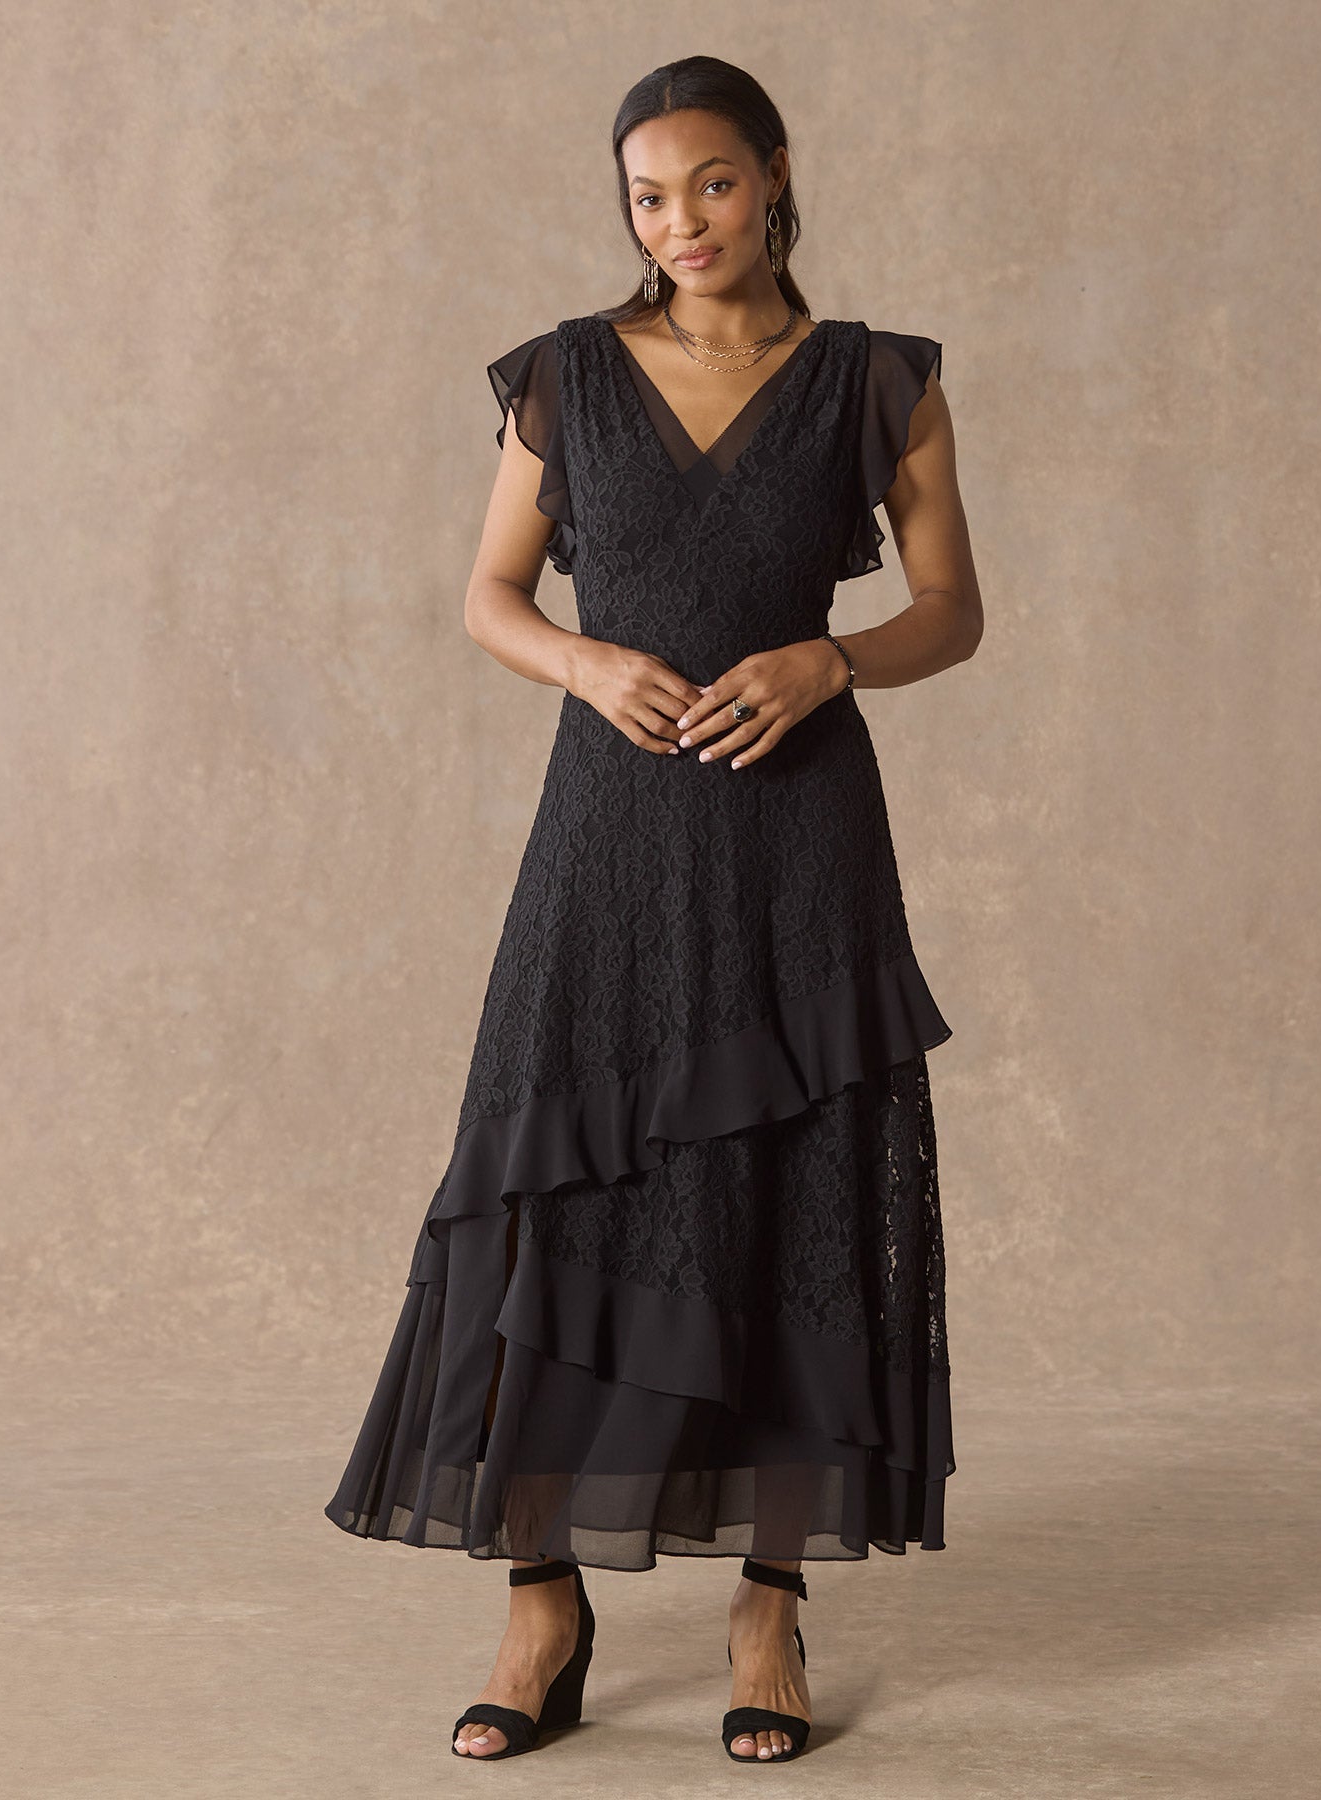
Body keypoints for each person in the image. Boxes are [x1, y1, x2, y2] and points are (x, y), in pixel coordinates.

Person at [324, 53, 983, 1766]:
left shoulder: (877, 381)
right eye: (646, 195)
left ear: (774, 175)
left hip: (798, 842)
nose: (679, 221)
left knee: (793, 1193)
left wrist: (830, 659)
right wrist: (582, 661)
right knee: (557, 1187)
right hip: (608, 839)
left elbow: (953, 610)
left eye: (710, 183)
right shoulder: (563, 376)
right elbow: (489, 592)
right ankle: (542, 1604)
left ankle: (771, 1605)